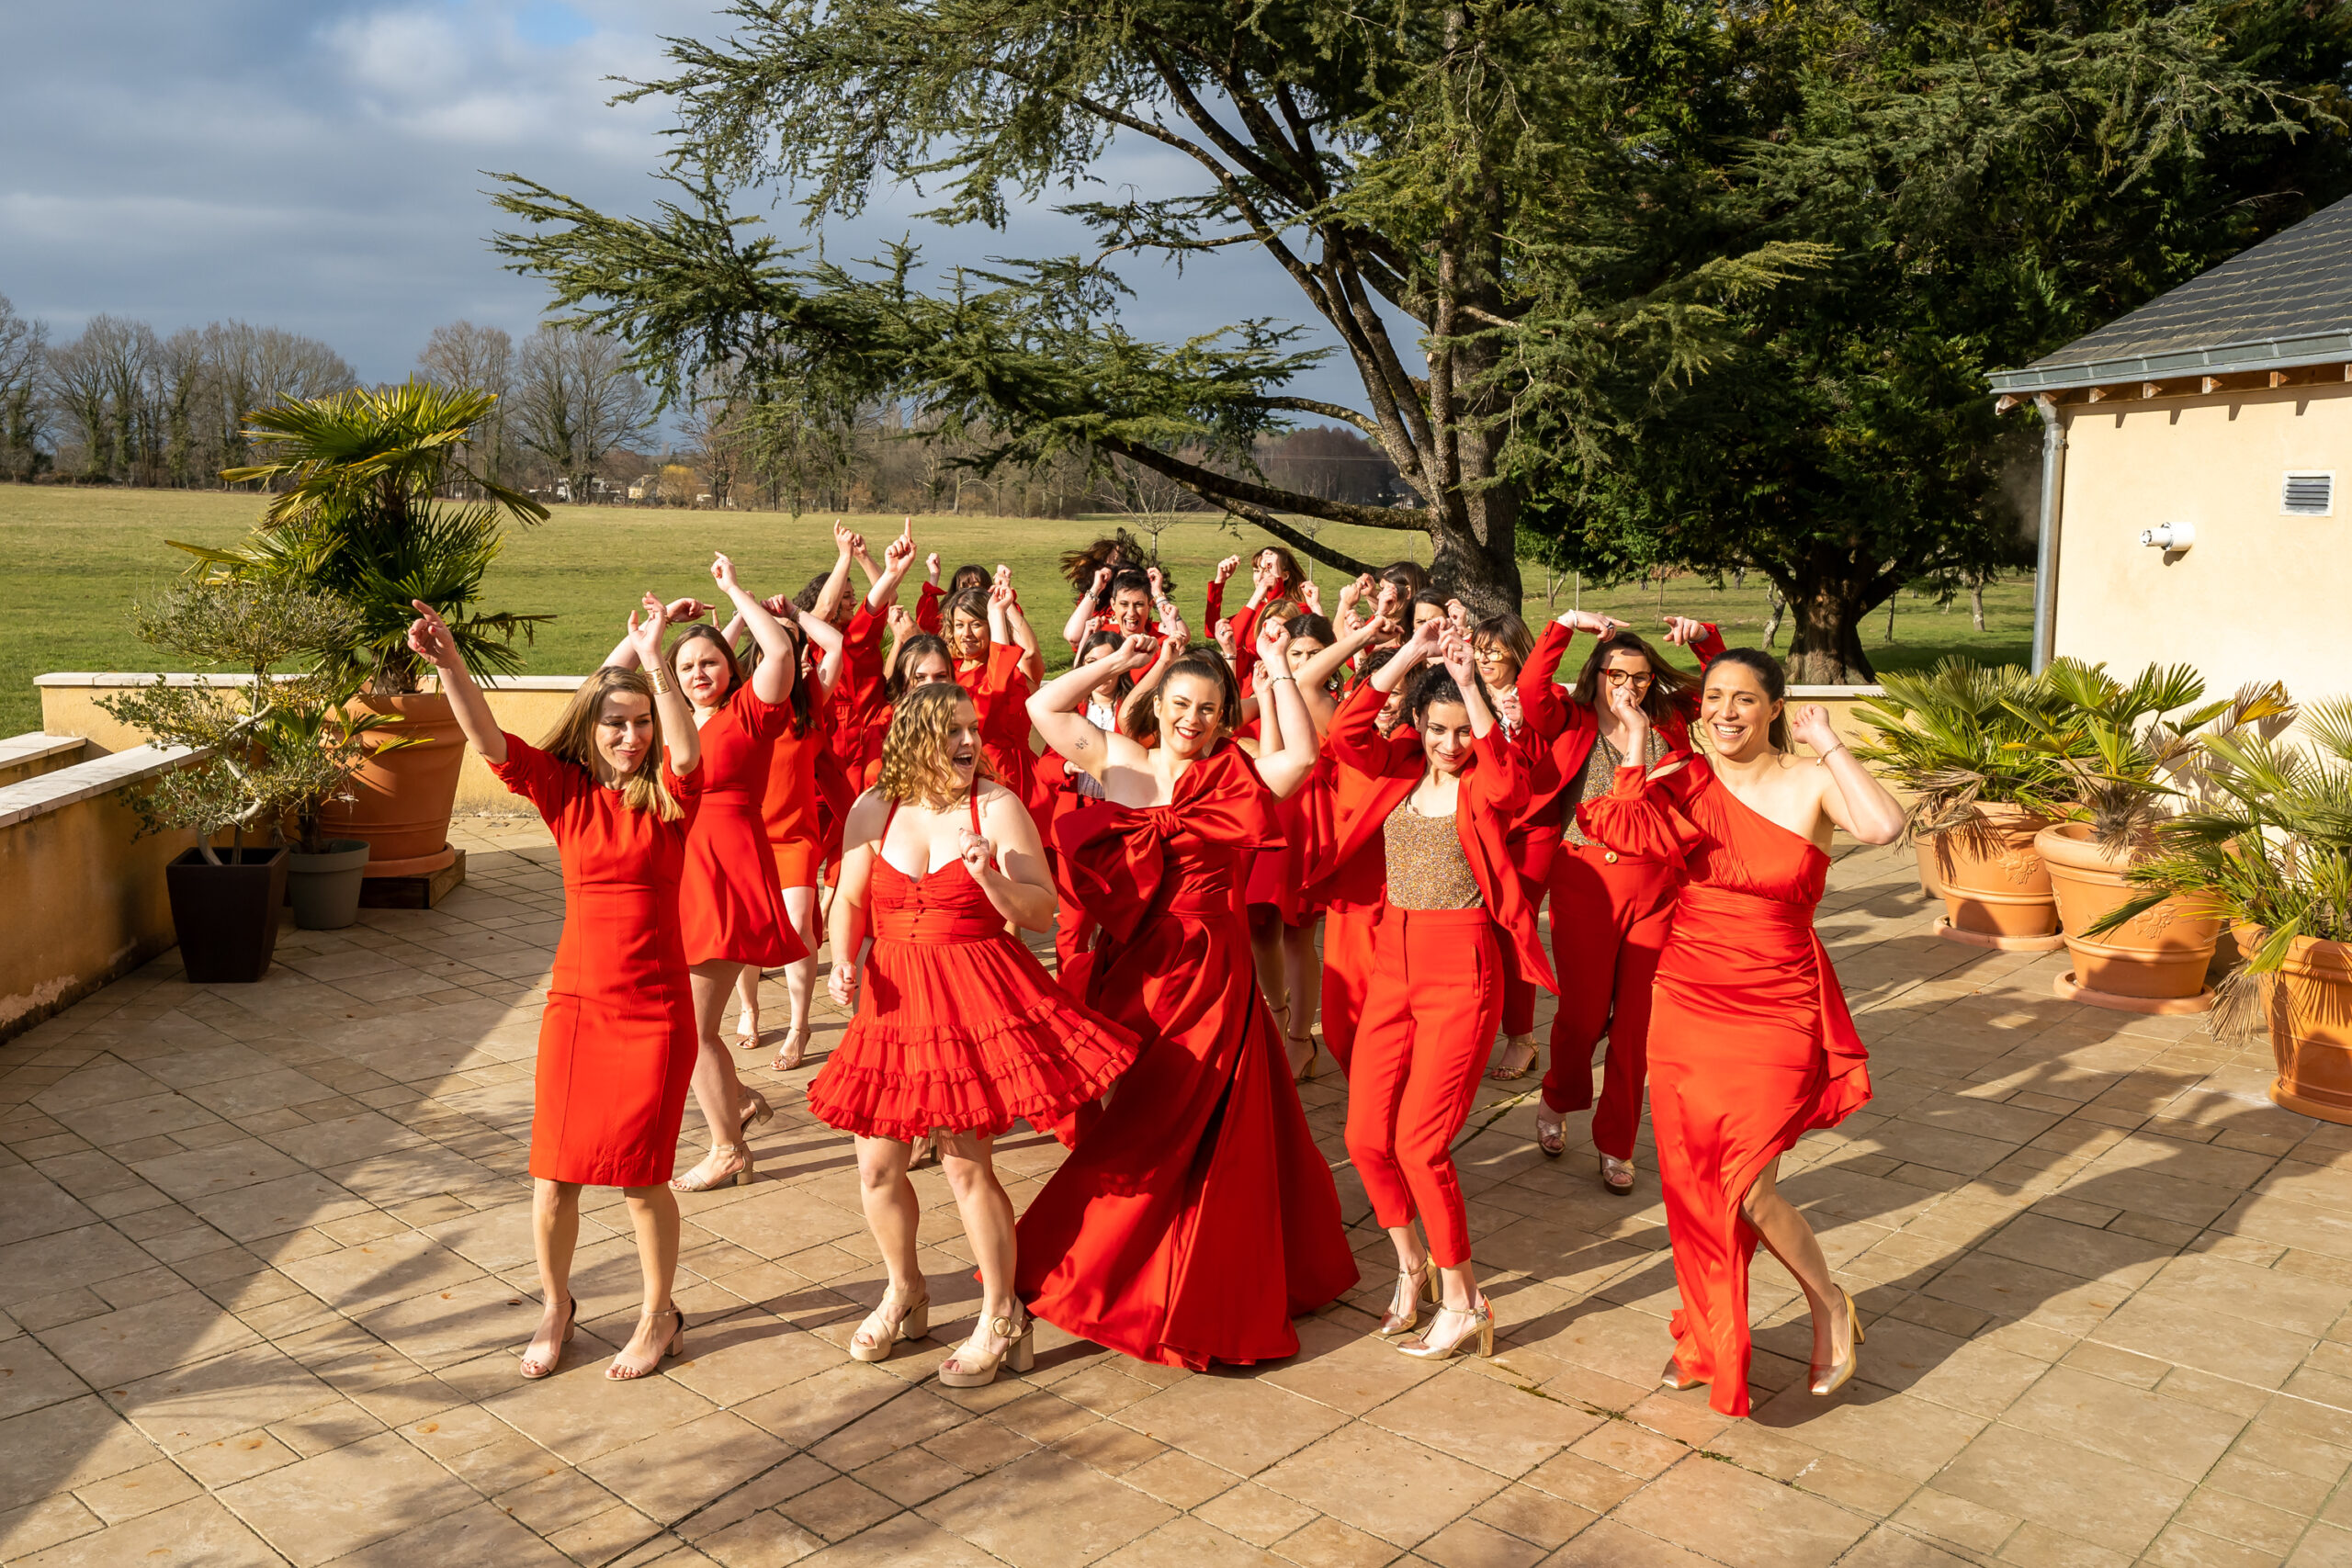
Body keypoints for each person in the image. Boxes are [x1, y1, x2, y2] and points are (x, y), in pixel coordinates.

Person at [1013, 627, 1360, 1369]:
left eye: (1206, 708)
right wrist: (1115, 663)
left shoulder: (1234, 775)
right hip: (1134, 968)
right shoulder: (1120, 761)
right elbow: (1042, 708)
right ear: (1159, 703)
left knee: (1194, 1124)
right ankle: (1110, 1261)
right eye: (1179, 703)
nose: (1191, 719)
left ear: (1224, 714)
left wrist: (1275, 666)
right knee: (1135, 1122)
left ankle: (1184, 1281)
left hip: (1210, 974)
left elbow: (1302, 758)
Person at [1579, 647, 1903, 1415]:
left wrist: (1830, 741)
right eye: (1714, 696)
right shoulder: (1684, 778)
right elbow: (1617, 825)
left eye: (1745, 698)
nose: (1726, 711)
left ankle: (1830, 1302)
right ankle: (1706, 1336)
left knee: (1746, 1185)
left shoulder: (1810, 780)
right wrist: (1635, 744)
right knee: (1691, 1183)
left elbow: (1884, 824)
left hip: (1777, 1001)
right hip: (1688, 998)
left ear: (1774, 708)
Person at [807, 684, 1137, 1386]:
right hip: (893, 1004)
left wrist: (990, 878)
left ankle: (1001, 1311)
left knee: (964, 1165)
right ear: (914, 739)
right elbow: (850, 897)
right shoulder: (874, 808)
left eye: (972, 729)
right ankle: (905, 1289)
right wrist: (841, 958)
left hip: (970, 998)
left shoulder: (999, 806)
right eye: (952, 730)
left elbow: (1041, 911)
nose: (968, 742)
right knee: (876, 1167)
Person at [408, 594, 703, 1382]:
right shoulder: (565, 792)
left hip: (655, 1011)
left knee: (642, 1178)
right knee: (553, 1179)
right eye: (616, 723)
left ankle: (659, 1314)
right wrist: (451, 663)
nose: (632, 736)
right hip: (577, 1007)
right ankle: (556, 1304)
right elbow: (487, 740)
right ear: (591, 727)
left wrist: (656, 656)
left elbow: (685, 751)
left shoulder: (672, 798)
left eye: (641, 722)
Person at [1310, 620, 1555, 1358]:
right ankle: (1411, 1263)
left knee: (1420, 1144)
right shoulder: (1395, 767)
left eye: (1461, 730)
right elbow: (1345, 731)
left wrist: (1473, 686)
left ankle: (1464, 1297)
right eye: (1438, 728)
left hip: (1462, 969)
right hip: (1391, 966)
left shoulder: (1483, 782)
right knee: (1364, 1137)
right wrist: (1412, 654)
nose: (1451, 743)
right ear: (1417, 722)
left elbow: (1511, 780)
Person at [598, 555, 816, 1193]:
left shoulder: (751, 711)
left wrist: (733, 589)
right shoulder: (659, 717)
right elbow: (603, 685)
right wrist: (652, 635)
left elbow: (780, 650)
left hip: (726, 876)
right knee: (685, 1023)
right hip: (673, 873)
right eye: (687, 664)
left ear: (730, 667)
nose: (698, 673)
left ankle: (728, 1149)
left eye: (710, 662)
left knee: (693, 1029)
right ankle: (737, 1102)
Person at [1509, 612, 1724, 1194]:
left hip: (1655, 885)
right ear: (1598, 675)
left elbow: (1721, 692)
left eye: (1641, 676)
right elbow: (1529, 689)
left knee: (1634, 1027)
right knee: (1581, 1017)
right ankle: (1559, 1097)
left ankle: (1617, 1141)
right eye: (1617, 675)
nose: (1630, 686)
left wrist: (1706, 639)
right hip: (1586, 881)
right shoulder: (1570, 719)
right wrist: (1564, 624)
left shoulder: (1665, 722)